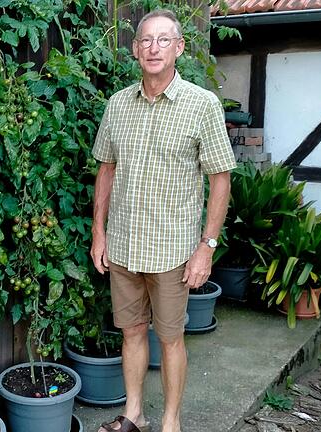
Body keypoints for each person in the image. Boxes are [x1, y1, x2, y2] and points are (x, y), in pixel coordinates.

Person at [90, 9, 236, 432]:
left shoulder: (202, 104)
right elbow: (106, 170)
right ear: (135, 50)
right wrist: (99, 233)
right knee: (132, 332)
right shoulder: (118, 104)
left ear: (179, 48)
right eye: (146, 41)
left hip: (173, 251)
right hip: (123, 245)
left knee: (171, 338)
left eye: (163, 40)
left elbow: (220, 180)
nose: (153, 48)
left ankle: (171, 422)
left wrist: (205, 248)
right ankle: (134, 414)